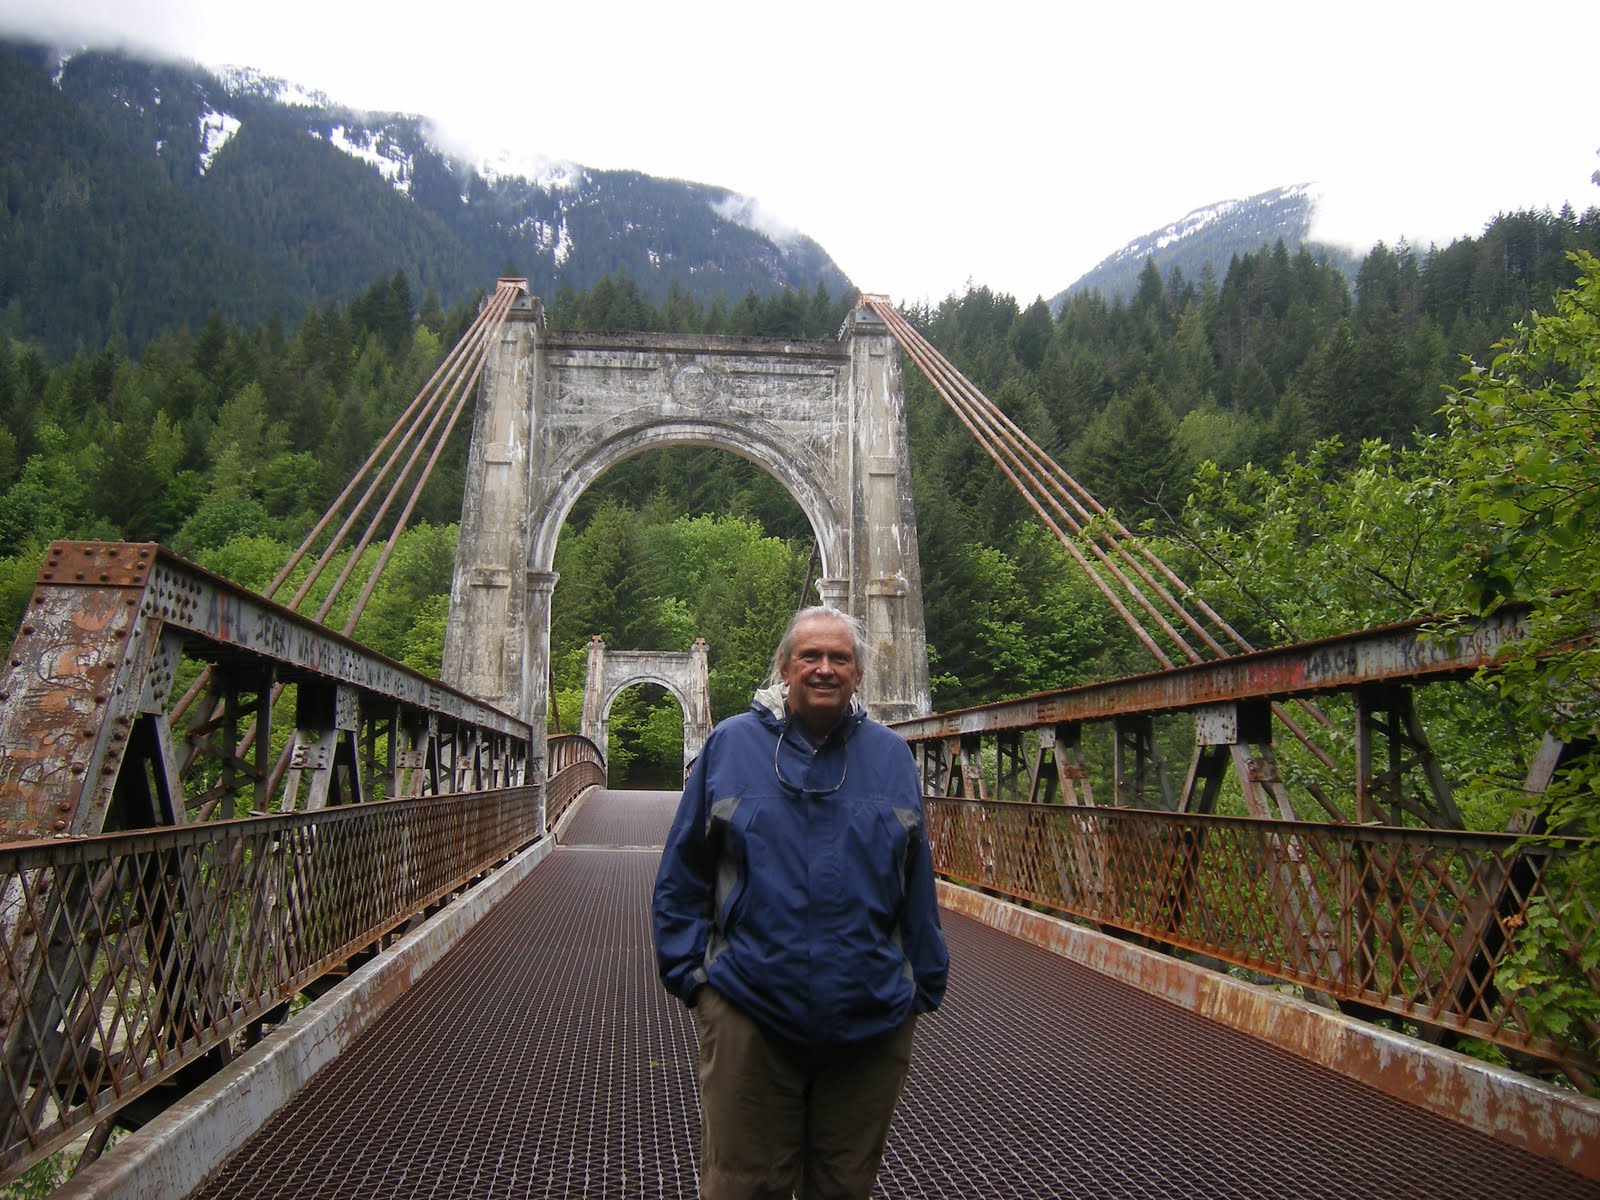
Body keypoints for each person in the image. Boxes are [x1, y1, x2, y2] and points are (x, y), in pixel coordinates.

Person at [652, 605, 948, 1200]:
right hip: (750, 1007)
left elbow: (915, 881)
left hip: (871, 1015)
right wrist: (695, 980)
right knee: (742, 1189)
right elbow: (684, 870)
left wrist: (922, 985)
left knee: (844, 1188)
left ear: (859, 674)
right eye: (809, 656)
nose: (824, 669)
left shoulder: (891, 757)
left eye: (840, 658)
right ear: (784, 669)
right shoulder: (731, 745)